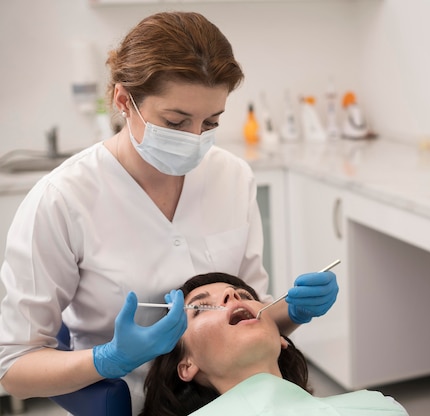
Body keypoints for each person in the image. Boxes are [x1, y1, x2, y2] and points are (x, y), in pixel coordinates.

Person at [0, 11, 338, 415]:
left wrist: (293, 311)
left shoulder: (232, 177)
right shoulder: (62, 199)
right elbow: (11, 365)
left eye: (211, 122)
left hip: (241, 397)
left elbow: (252, 315)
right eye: (176, 122)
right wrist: (108, 359)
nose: (195, 139)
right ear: (124, 101)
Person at [140, 272, 408, 416]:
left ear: (282, 338)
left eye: (244, 295)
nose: (232, 294)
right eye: (202, 307)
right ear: (186, 365)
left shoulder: (378, 408)